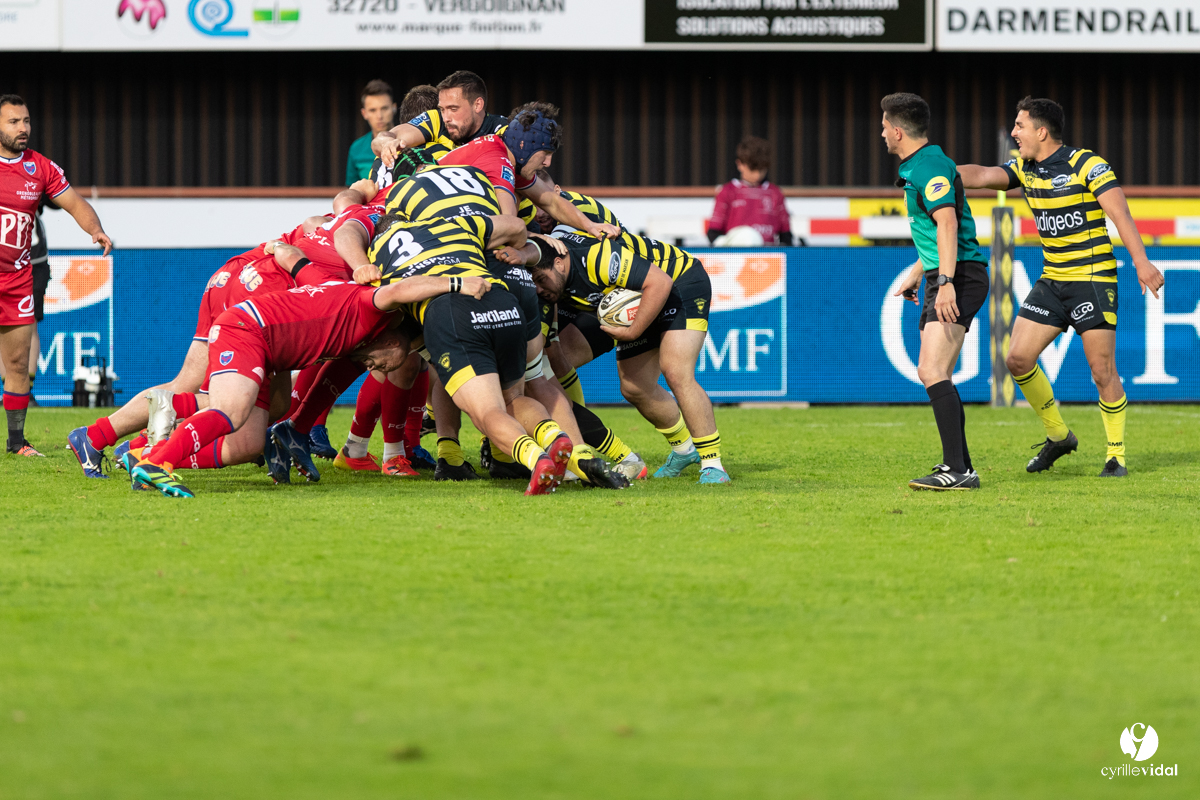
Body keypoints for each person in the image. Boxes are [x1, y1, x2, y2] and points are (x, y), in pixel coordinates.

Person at [958, 97, 1165, 478]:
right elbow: (985, 176)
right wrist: (937, 174)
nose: (1014, 133)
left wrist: (1141, 262)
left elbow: (1119, 213)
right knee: (1017, 359)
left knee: (1102, 370)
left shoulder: (1086, 163)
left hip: (1092, 279)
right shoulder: (1025, 168)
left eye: (1020, 126)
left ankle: (1115, 455)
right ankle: (1059, 436)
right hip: (1052, 281)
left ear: (1042, 131)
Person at [130, 277, 486, 499]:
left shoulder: (358, 333)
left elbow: (324, 386)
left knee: (252, 438)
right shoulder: (370, 310)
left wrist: (297, 428)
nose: (375, 368)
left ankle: (142, 450)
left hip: (271, 352)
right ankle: (159, 461)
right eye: (384, 363)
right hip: (248, 330)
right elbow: (397, 290)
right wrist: (457, 283)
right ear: (395, 340)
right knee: (232, 411)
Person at [506, 230, 730, 484]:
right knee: (635, 387)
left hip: (679, 281)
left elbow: (660, 283)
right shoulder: (549, 283)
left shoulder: (596, 258)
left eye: (540, 279)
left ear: (558, 263)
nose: (537, 288)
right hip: (630, 296)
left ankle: (713, 464)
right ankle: (683, 450)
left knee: (676, 372)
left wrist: (633, 331)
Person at [882, 93, 989, 491]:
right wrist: (919, 271)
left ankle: (957, 470)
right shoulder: (922, 165)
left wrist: (944, 282)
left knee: (931, 370)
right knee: (935, 371)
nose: (881, 134)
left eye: (883, 126)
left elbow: (947, 225)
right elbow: (937, 231)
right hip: (946, 274)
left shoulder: (928, 167)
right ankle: (961, 466)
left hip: (959, 276)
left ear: (897, 131)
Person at [0, 95, 112, 457]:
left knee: (17, 363)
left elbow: (76, 203)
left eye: (26, 121)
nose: (23, 129)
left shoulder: (39, 168)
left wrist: (95, 230)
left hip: (17, 278)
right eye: (13, 122)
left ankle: (16, 443)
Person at [372, 70, 506, 166]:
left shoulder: (504, 130)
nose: (446, 117)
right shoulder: (436, 118)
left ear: (477, 105)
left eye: (453, 109)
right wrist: (387, 144)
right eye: (442, 109)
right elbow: (385, 137)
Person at [707, 136, 794, 246]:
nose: (757, 174)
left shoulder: (774, 193)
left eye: (761, 169)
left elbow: (786, 235)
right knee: (748, 236)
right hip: (736, 256)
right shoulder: (728, 191)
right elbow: (713, 233)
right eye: (753, 169)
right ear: (739, 164)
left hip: (767, 258)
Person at [346, 81, 397, 185]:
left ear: (394, 108)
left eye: (384, 108)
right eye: (373, 110)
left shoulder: (409, 141)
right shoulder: (356, 148)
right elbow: (352, 190)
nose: (379, 116)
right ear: (364, 113)